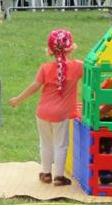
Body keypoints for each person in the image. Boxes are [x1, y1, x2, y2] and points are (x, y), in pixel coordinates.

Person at [8, 29, 83, 187]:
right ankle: (59, 177)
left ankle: (47, 173)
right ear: (71, 48)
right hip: (61, 115)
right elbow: (94, 69)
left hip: (42, 113)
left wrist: (17, 99)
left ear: (50, 51)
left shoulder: (45, 68)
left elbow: (34, 87)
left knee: (45, 143)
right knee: (61, 145)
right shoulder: (78, 67)